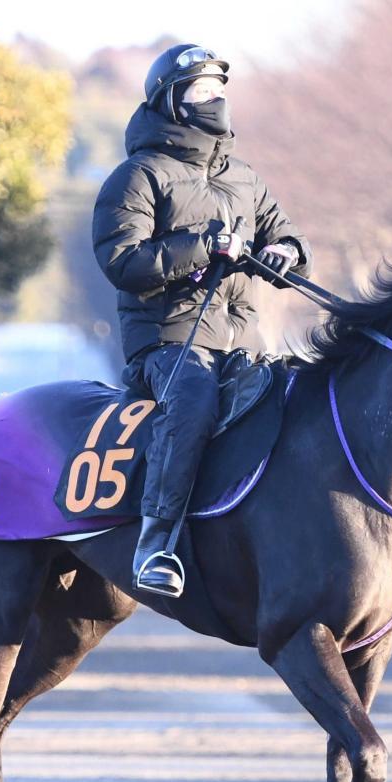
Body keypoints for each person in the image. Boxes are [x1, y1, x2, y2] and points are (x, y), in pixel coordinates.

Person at [92, 43, 312, 598]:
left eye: (220, 90)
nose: (216, 100)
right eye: (202, 91)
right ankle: (155, 544)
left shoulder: (246, 178)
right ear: (172, 102)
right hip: (168, 341)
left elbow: (280, 232)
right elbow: (122, 263)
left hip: (242, 339)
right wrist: (204, 245)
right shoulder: (137, 176)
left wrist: (288, 251)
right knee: (192, 401)